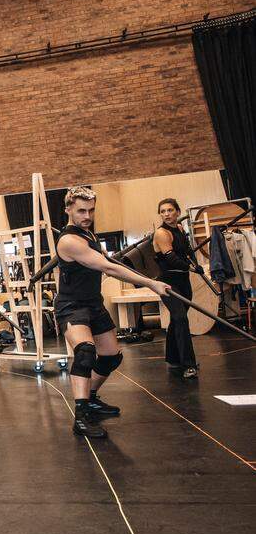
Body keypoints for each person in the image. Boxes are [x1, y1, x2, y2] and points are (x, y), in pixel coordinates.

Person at [55, 186, 170, 438]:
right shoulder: (69, 240)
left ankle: (92, 397)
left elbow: (105, 259)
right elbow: (109, 268)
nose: (87, 215)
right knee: (85, 353)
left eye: (91, 210)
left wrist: (106, 256)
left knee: (110, 357)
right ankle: (81, 416)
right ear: (68, 210)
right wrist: (152, 283)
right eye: (81, 211)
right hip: (71, 307)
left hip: (93, 304)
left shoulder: (89, 236)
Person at [153, 198, 200, 379]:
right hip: (168, 283)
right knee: (180, 319)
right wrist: (191, 267)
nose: (167, 214)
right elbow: (171, 259)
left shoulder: (180, 229)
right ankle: (188, 364)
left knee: (177, 319)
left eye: (170, 210)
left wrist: (195, 263)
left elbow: (187, 251)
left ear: (178, 212)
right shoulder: (162, 233)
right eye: (163, 211)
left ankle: (173, 358)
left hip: (183, 281)